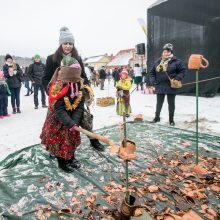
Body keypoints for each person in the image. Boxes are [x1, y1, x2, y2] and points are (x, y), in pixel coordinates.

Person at [42, 26, 104, 151]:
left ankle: (94, 141)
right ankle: (54, 149)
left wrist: (86, 89)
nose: (68, 46)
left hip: (75, 95)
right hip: (58, 97)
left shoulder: (78, 58)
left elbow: (83, 76)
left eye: (70, 43)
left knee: (84, 120)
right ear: (60, 44)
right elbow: (45, 78)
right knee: (57, 127)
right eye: (65, 43)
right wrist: (52, 94)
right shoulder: (51, 58)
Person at [40, 57, 88, 172]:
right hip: (58, 119)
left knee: (71, 139)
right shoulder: (58, 87)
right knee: (59, 141)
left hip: (72, 118)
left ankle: (71, 157)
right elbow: (59, 109)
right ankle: (61, 162)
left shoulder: (79, 85)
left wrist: (75, 122)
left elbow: (80, 105)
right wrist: (69, 123)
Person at [150, 43, 187, 126]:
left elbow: (183, 71)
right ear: (162, 52)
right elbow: (152, 72)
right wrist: (154, 81)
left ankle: (171, 120)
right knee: (159, 103)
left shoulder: (177, 61)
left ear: (171, 52)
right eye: (164, 52)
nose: (166, 53)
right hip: (160, 85)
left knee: (171, 103)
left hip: (171, 85)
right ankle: (157, 117)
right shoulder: (158, 61)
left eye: (168, 52)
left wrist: (177, 78)